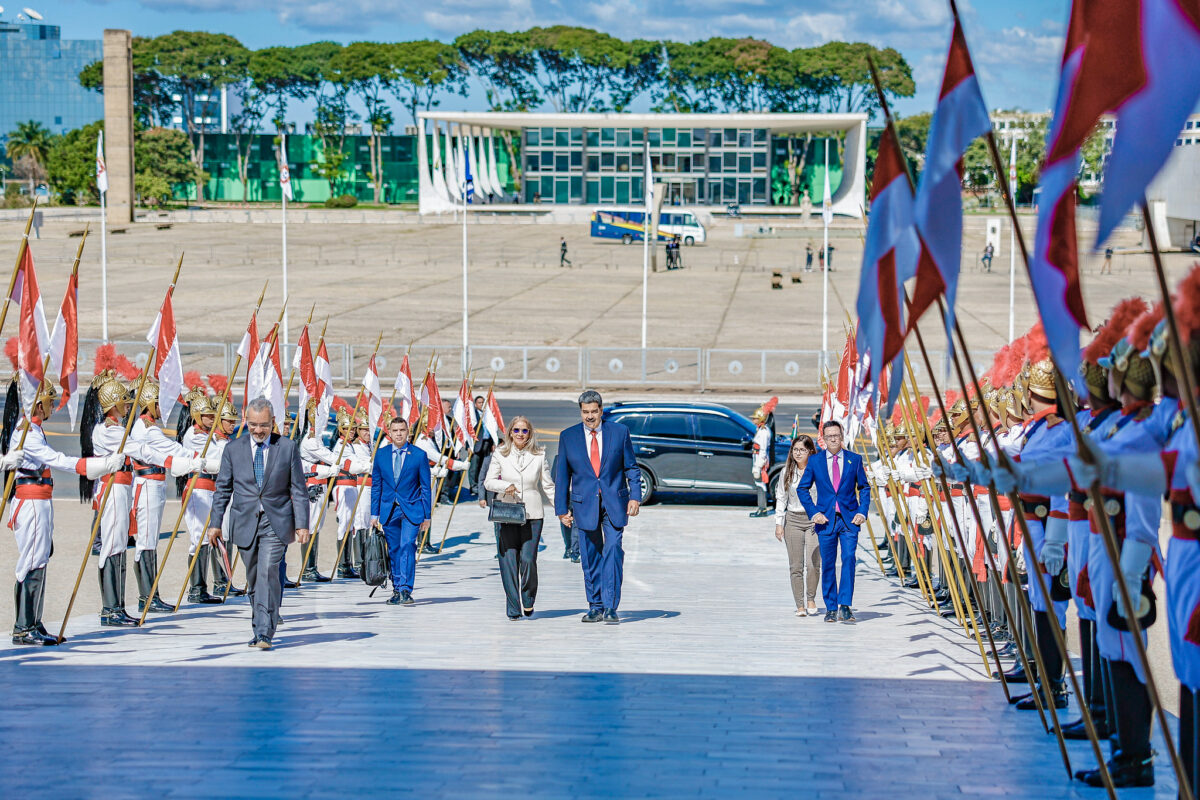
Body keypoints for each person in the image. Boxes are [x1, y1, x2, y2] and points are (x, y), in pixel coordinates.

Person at [3, 377, 121, 644]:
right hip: (32, 501)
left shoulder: (33, 429)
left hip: (39, 499)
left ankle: (33, 621)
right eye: (49, 401)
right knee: (32, 561)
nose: (52, 406)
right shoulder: (27, 432)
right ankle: (24, 627)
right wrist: (101, 466)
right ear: (38, 403)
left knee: (40, 558)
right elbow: (58, 460)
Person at [207, 396, 310, 650]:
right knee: (254, 578)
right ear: (246, 421)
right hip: (244, 523)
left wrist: (302, 524)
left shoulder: (286, 448)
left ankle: (264, 632)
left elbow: (298, 489)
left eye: (263, 425)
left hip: (276, 522)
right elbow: (222, 489)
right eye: (253, 424)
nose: (258, 430)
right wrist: (215, 523)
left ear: (272, 422)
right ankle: (262, 622)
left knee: (267, 572)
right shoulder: (233, 449)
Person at [555, 390, 641, 624]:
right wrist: (562, 509)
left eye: (594, 411)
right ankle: (595, 606)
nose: (590, 416)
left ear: (601, 410)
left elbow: (631, 467)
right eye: (585, 412)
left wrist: (635, 496)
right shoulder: (568, 436)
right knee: (590, 556)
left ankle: (610, 606)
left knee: (613, 549)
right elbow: (562, 475)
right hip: (584, 504)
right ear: (580, 412)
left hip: (615, 503)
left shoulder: (619, 432)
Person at [797, 420, 870, 623]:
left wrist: (862, 512)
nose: (833, 440)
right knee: (828, 563)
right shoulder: (815, 461)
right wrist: (814, 513)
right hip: (826, 520)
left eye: (836, 435)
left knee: (849, 558)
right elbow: (802, 489)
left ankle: (845, 605)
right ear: (823, 438)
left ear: (842, 436)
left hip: (849, 520)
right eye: (829, 436)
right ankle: (831, 607)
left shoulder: (854, 460)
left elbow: (864, 488)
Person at [484, 416, 555, 620]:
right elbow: (489, 482)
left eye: (524, 431)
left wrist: (561, 510)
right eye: (516, 430)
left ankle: (528, 598)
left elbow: (548, 485)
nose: (520, 434)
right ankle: (514, 608)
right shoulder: (500, 453)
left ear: (530, 433)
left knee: (528, 559)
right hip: (507, 512)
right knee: (508, 561)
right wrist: (505, 486)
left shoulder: (539, 455)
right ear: (510, 433)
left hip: (533, 514)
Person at [370, 416, 432, 605]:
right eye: (395, 430)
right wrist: (374, 514)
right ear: (389, 433)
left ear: (408, 432)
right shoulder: (381, 455)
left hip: (411, 509)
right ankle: (396, 588)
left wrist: (427, 515)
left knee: (407, 545)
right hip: (389, 509)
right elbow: (376, 486)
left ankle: (406, 589)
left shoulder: (419, 455)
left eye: (402, 430)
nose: (399, 434)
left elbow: (425, 487)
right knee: (394, 549)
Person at [775, 435, 820, 616]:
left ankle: (811, 598)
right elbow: (781, 497)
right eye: (795, 449)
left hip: (814, 521)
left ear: (810, 451)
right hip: (793, 520)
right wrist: (779, 524)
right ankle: (800, 605)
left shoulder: (818, 470)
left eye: (802, 450)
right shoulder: (787, 471)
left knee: (813, 563)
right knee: (796, 566)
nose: (798, 453)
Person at [750, 403, 773, 517]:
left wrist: (758, 466)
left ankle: (762, 508)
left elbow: (763, 450)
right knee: (758, 484)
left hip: (761, 460)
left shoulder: (763, 432)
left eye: (755, 418)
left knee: (760, 485)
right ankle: (761, 508)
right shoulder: (760, 429)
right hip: (758, 457)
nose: (753, 419)